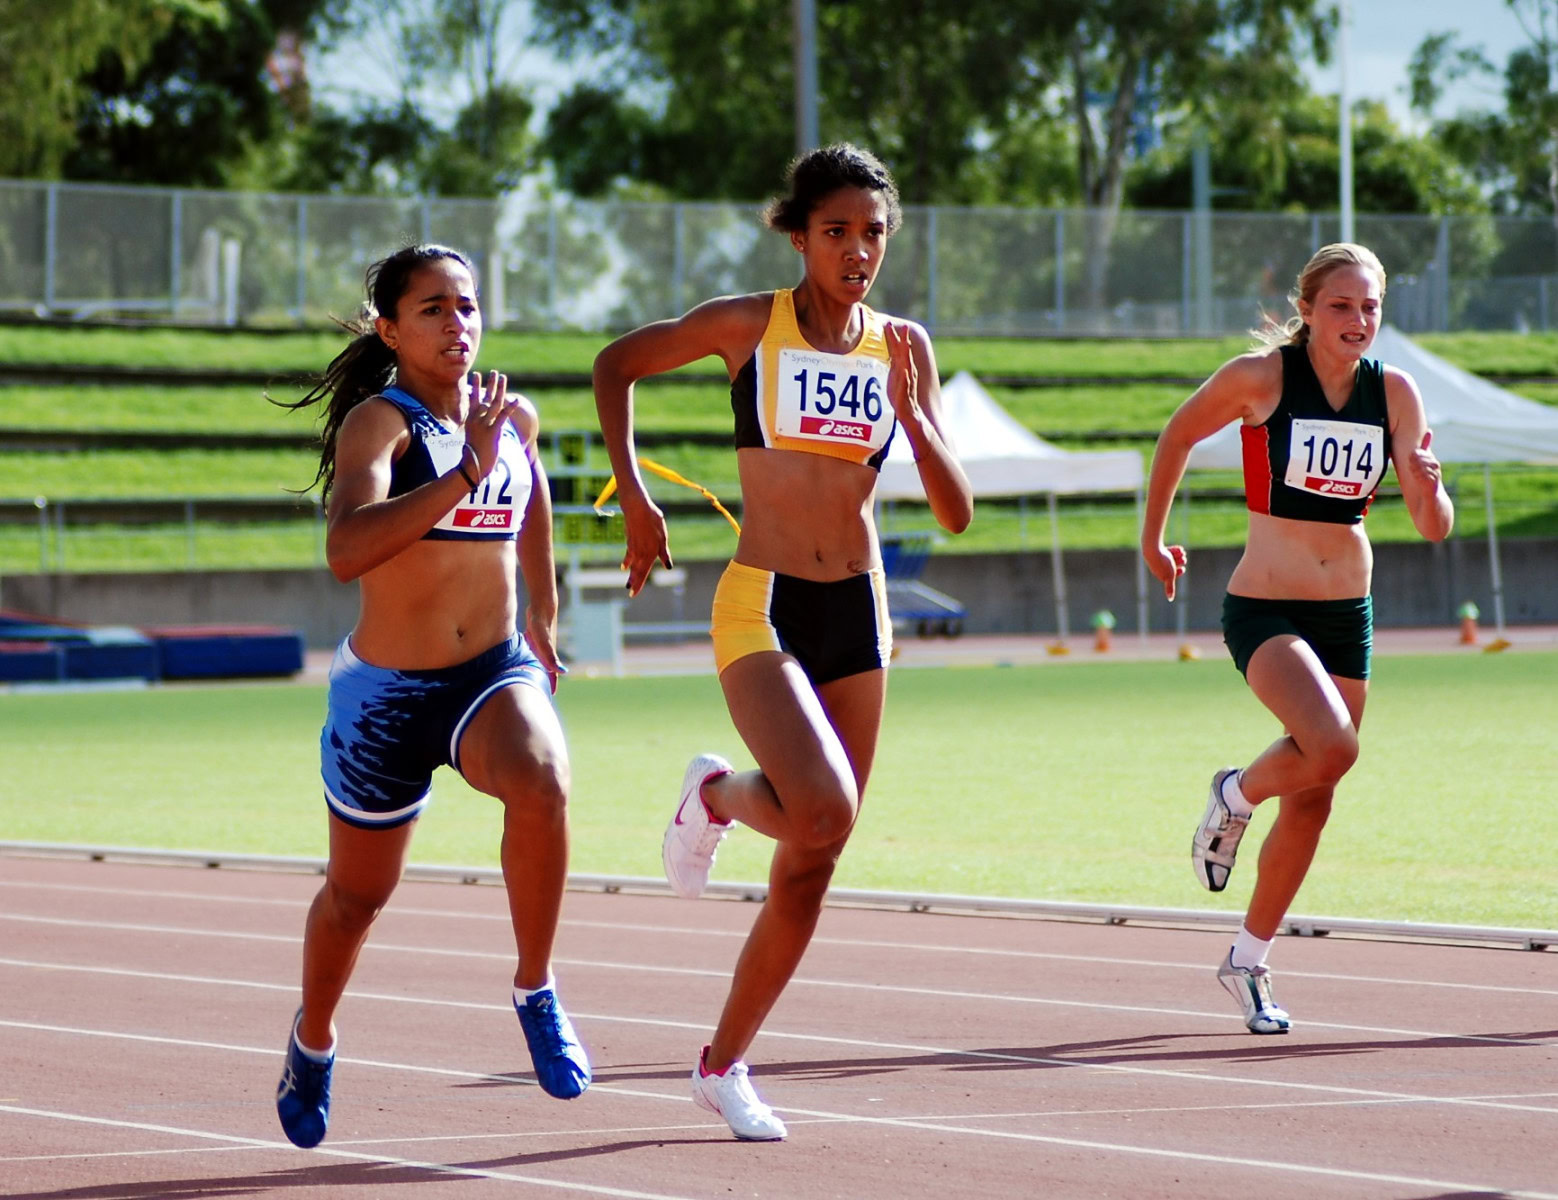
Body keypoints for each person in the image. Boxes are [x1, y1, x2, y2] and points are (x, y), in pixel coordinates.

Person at [593, 144, 973, 1139]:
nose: (857, 252)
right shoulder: (746, 326)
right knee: (823, 806)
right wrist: (636, 499)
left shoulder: (903, 347)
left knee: (817, 849)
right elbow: (616, 365)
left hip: (860, 607)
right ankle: (713, 796)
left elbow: (956, 510)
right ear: (798, 233)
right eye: (837, 232)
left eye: (874, 234)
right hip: (763, 600)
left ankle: (723, 1064)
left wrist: (914, 419)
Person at [272, 243, 590, 1149]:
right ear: (390, 330)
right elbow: (345, 553)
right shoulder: (383, 426)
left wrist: (544, 614)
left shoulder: (510, 416)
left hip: (489, 672)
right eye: (434, 310)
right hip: (384, 700)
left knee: (543, 778)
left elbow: (532, 508)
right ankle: (314, 1039)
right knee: (356, 900)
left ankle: (535, 986)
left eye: (468, 305)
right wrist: (463, 470)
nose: (459, 324)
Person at [1140, 243, 1454, 1034]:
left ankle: (1248, 961)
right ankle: (1234, 795)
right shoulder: (1262, 379)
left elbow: (1433, 526)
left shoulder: (1398, 394)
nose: (1358, 320)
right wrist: (1154, 538)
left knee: (1316, 795)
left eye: (1371, 307)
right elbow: (1176, 436)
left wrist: (1427, 486)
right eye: (1341, 305)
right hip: (1267, 607)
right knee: (1333, 745)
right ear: (1307, 309)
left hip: (1349, 611)